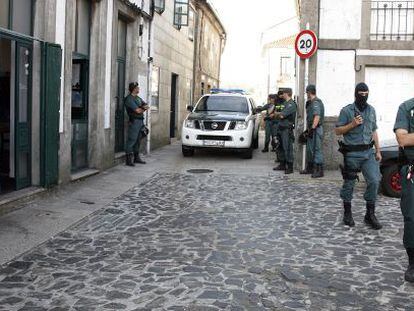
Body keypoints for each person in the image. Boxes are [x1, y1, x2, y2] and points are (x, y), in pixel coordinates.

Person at [335, 83, 382, 229]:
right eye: (361, 93)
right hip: (352, 153)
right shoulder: (347, 110)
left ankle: (370, 214)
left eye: (366, 93)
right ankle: (347, 213)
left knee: (374, 181)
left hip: (368, 153)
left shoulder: (371, 110)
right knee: (349, 184)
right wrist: (352, 124)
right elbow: (338, 131)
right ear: (356, 93)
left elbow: (374, 131)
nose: (364, 96)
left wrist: (378, 150)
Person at [393, 97, 414, 282]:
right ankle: (413, 262)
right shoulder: (407, 107)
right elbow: (402, 139)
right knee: (411, 217)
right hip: (412, 171)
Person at [300, 85, 325, 178]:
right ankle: (310, 168)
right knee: (310, 149)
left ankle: (319, 170)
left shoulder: (316, 103)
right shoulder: (311, 102)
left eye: (307, 92)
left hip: (316, 129)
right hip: (312, 128)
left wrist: (312, 128)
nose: (306, 94)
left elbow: (317, 116)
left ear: (309, 92)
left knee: (317, 149)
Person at [273, 88, 297, 174]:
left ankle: (290, 167)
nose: (282, 95)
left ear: (287, 94)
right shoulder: (285, 103)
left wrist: (277, 114)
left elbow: (282, 115)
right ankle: (282, 164)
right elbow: (278, 113)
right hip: (281, 128)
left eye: (283, 93)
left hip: (287, 129)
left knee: (288, 148)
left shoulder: (291, 104)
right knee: (280, 147)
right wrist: (277, 114)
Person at [124, 82, 149, 166]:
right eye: (137, 87)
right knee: (132, 140)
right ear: (134, 89)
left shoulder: (138, 98)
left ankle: (136, 158)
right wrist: (142, 109)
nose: (138, 89)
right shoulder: (129, 99)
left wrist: (142, 108)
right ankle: (128, 160)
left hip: (140, 121)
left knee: (138, 140)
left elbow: (146, 106)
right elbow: (137, 111)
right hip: (134, 121)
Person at [273, 90, 286, 162]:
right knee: (276, 140)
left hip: (282, 122)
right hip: (276, 122)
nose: (281, 96)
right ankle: (278, 157)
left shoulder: (285, 101)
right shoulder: (276, 101)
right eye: (280, 95)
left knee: (282, 141)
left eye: (282, 94)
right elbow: (275, 111)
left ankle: (282, 158)